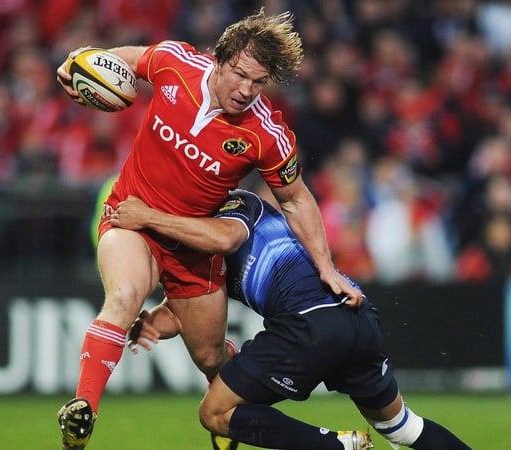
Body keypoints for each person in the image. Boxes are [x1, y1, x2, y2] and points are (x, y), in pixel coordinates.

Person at [53, 9, 363, 450]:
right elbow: (129, 59)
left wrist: (327, 268)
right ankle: (82, 415)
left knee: (210, 356)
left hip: (192, 247)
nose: (246, 90)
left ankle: (231, 423)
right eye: (239, 74)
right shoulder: (176, 64)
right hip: (130, 215)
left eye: (258, 82)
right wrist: (81, 62)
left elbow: (296, 199)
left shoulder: (266, 134)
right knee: (123, 297)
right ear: (219, 59)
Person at [112, 190, 472, 450]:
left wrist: (148, 217)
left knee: (216, 412)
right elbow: (184, 313)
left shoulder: (233, 203)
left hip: (309, 323)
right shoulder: (191, 251)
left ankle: (337, 447)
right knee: (402, 428)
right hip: (354, 316)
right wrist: (145, 320)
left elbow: (224, 238)